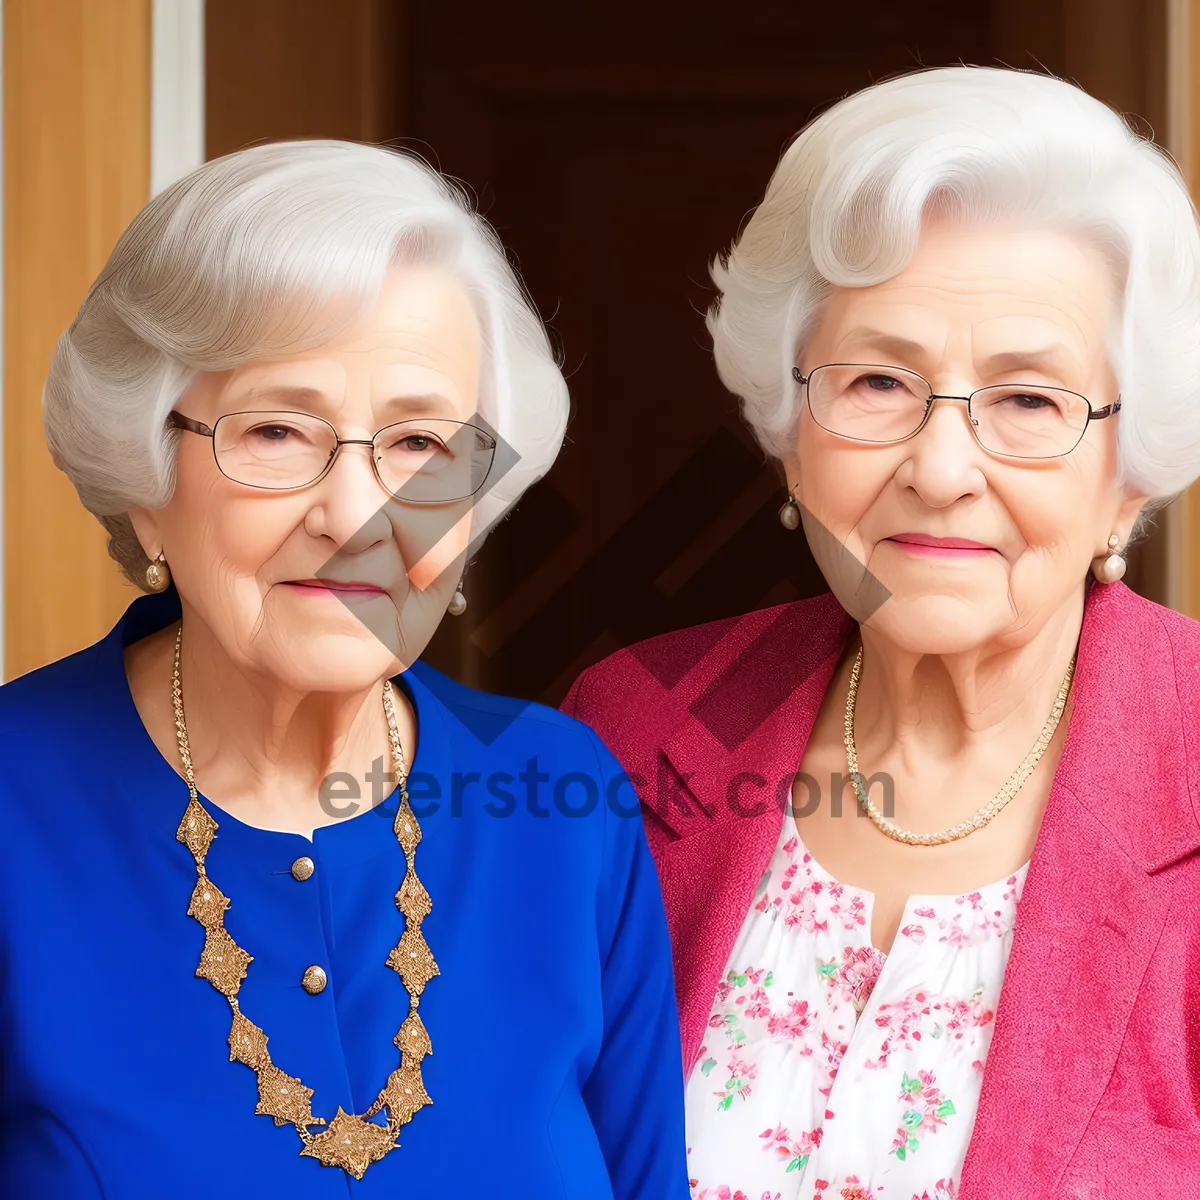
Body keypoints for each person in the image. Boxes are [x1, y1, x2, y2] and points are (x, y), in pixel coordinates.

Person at [0, 140, 688, 1199]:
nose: (357, 516)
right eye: (277, 430)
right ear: (144, 476)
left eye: (420, 444)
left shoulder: (565, 805)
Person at [563, 67, 1200, 1199]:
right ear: (790, 434)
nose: (942, 471)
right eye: (875, 383)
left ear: (1129, 477)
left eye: (1029, 401)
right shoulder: (635, 729)